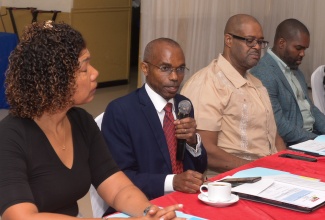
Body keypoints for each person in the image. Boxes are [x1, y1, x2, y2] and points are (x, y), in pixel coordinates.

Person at [0, 21, 184, 220]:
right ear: (55, 78)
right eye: (84, 68)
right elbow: (20, 217)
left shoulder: (81, 122)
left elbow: (118, 188)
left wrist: (150, 212)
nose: (95, 73)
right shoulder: (10, 136)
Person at [101, 38, 207, 201]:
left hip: (186, 199)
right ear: (145, 68)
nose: (174, 77)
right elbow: (119, 178)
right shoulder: (121, 111)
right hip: (143, 203)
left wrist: (193, 141)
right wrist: (172, 182)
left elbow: (199, 167)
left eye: (180, 69)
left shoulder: (184, 105)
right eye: (165, 68)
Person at [181, 14, 286, 175]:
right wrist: (259, 171)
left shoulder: (256, 82)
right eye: (250, 40)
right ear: (229, 40)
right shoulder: (208, 83)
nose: (257, 47)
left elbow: (274, 137)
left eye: (260, 42)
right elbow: (205, 150)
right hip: (232, 181)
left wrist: (285, 167)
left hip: (268, 174)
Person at [251, 18, 325, 146]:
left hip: (312, 137)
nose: (302, 54)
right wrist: (317, 140)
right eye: (298, 48)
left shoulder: (296, 70)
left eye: (304, 49)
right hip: (293, 144)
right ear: (281, 43)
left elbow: (311, 109)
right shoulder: (264, 73)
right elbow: (279, 125)